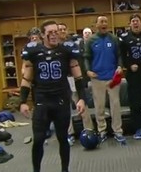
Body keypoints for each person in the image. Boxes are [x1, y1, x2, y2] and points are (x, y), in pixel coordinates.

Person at [19, 20, 86, 172]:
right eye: (50, 32)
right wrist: (22, 101)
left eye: (56, 32)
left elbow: (78, 76)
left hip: (61, 99)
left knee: (63, 138)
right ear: (42, 35)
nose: (54, 35)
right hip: (42, 100)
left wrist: (81, 98)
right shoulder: (34, 52)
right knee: (38, 139)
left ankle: (65, 169)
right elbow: (27, 78)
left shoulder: (66, 50)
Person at [83, 15, 125, 143]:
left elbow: (119, 55)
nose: (104, 24)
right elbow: (86, 57)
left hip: (113, 78)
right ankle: (102, 131)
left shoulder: (113, 39)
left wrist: (120, 66)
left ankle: (117, 131)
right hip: (97, 78)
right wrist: (88, 70)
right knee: (99, 106)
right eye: (101, 21)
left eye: (106, 21)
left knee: (115, 105)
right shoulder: (91, 40)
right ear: (96, 25)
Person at [119, 14, 141, 140]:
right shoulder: (125, 39)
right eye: (133, 21)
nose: (135, 23)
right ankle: (138, 128)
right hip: (133, 74)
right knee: (135, 102)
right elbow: (122, 55)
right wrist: (129, 65)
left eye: (137, 21)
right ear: (130, 24)